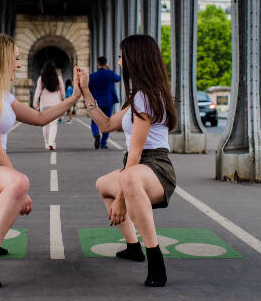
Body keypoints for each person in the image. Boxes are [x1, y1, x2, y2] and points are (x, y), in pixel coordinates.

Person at [0, 34, 80, 288]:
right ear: (1, 61)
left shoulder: (3, 96)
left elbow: (39, 118)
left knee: (16, 186)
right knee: (18, 184)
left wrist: (73, 98)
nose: (19, 65)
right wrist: (20, 190)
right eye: (15, 59)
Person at [76, 34, 177, 287]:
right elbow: (107, 124)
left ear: (134, 59)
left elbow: (135, 153)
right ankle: (133, 246)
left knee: (127, 179)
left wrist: (121, 200)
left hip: (155, 167)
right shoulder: (140, 96)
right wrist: (85, 91)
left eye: (122, 56)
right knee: (103, 184)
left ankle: (156, 261)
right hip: (140, 167)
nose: (119, 62)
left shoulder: (145, 98)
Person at [88, 56, 121, 149]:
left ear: (97, 64)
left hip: (96, 102)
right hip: (108, 102)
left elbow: (89, 89)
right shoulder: (110, 74)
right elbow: (118, 78)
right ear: (106, 64)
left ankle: (96, 135)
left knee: (94, 121)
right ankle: (103, 143)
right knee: (107, 122)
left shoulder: (93, 76)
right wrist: (109, 70)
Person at [32, 60, 65, 150]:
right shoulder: (58, 78)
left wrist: (35, 101)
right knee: (53, 124)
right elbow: (62, 92)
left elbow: (38, 90)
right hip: (55, 104)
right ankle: (51, 142)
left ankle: (46, 143)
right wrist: (63, 101)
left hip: (44, 104)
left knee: (45, 124)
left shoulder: (41, 78)